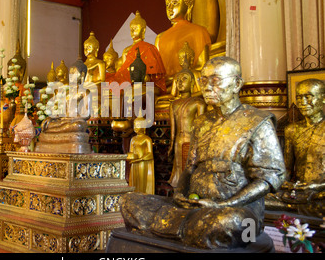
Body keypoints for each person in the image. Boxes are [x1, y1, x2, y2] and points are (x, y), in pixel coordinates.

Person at [120, 57, 285, 249]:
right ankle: (189, 228)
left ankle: (177, 228)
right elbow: (190, 169)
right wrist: (181, 193)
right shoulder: (201, 122)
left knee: (229, 224)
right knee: (129, 201)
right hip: (194, 206)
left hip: (235, 210)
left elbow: (269, 177)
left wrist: (225, 204)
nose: (207, 88)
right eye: (203, 81)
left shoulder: (258, 121)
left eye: (215, 81)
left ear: (237, 84)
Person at [266, 79, 325, 217]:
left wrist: (317, 187)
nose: (303, 103)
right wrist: (285, 183)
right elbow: (287, 168)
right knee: (261, 200)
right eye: (299, 98)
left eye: (308, 97)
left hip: (321, 192)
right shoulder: (292, 130)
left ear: (323, 98)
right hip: (299, 193)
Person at [155, 0, 211, 86]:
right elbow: (158, 74)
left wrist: (183, 77)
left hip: (187, 85)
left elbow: (203, 69)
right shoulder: (160, 38)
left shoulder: (199, 32)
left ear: (189, 6)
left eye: (175, 3)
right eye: (167, 4)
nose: (170, 8)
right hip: (167, 86)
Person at [167, 66, 206, 187]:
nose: (180, 82)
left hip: (192, 141)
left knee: (190, 168)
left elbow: (201, 128)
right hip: (178, 141)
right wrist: (171, 146)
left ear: (192, 82)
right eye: (177, 79)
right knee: (178, 168)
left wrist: (201, 145)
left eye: (184, 79)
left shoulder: (198, 102)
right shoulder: (174, 104)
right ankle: (178, 190)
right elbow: (173, 130)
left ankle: (191, 189)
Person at [114, 11, 166, 95]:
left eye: (135, 28)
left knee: (145, 79)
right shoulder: (126, 50)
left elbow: (154, 73)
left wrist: (141, 76)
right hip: (130, 82)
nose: (132, 31)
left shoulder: (149, 47)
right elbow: (123, 72)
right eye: (131, 29)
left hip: (144, 81)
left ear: (143, 30)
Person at [127, 116, 155, 195]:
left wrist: (142, 159)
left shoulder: (147, 139)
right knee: (134, 179)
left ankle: (142, 196)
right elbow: (131, 152)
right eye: (134, 125)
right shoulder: (133, 139)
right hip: (134, 162)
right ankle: (134, 195)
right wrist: (129, 157)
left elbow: (150, 154)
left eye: (138, 125)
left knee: (142, 180)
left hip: (143, 163)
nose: (135, 127)